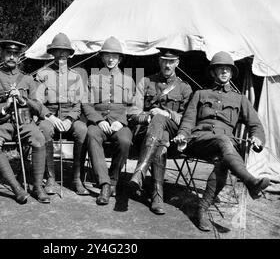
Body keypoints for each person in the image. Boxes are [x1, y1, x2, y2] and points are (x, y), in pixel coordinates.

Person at [173, 51, 270, 231]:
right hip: (199, 141)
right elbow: (187, 120)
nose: (224, 72)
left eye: (228, 69)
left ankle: (202, 209)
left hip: (222, 147)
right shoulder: (200, 94)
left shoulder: (240, 99)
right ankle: (250, 181)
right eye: (220, 69)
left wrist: (257, 138)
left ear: (232, 73)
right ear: (213, 72)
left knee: (222, 160)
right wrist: (182, 135)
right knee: (224, 142)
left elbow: (255, 124)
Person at [0, 40, 50, 204]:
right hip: (1, 123)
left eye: (15, 54)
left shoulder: (27, 79)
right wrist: (5, 106)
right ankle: (17, 188)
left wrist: (22, 99)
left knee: (39, 138)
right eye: (8, 53)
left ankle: (38, 187)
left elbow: (38, 107)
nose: (11, 57)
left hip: (24, 121)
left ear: (19, 57)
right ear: (2, 55)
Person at [128, 49, 193, 214]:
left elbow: (188, 119)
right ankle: (157, 195)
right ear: (159, 61)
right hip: (146, 133)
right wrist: (150, 115)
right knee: (160, 133)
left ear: (177, 63)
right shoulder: (146, 81)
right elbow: (133, 113)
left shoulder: (184, 88)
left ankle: (140, 171)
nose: (167, 65)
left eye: (171, 62)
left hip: (173, 136)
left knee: (162, 125)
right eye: (164, 61)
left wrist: (167, 114)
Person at [83, 36, 135, 205]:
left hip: (120, 122)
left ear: (120, 58)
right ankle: (104, 184)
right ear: (102, 57)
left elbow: (133, 106)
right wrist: (98, 121)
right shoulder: (93, 78)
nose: (111, 59)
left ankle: (113, 179)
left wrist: (121, 120)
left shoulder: (128, 80)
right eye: (107, 55)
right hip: (99, 122)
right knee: (91, 135)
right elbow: (87, 104)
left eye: (114, 56)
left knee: (125, 140)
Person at [36, 33, 89, 196]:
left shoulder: (76, 76)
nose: (61, 55)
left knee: (82, 130)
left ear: (69, 54)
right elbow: (37, 102)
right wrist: (49, 117)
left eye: (65, 52)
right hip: (49, 117)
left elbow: (79, 103)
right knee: (44, 129)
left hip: (69, 118)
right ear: (52, 53)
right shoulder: (42, 74)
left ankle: (76, 178)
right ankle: (50, 177)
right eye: (57, 51)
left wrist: (70, 119)